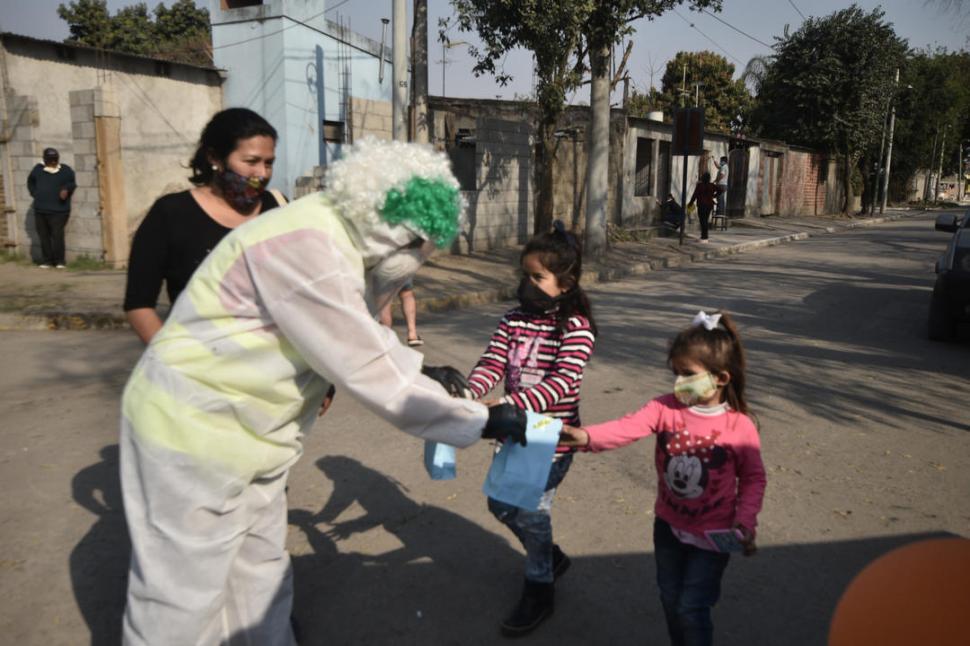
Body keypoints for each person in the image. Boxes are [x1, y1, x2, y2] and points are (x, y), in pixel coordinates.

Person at [118, 138, 529, 646]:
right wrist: (479, 420)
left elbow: (358, 329)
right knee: (182, 592)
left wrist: (427, 374)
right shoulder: (307, 247)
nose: (416, 263)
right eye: (419, 250)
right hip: (190, 432)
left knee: (259, 570)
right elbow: (364, 362)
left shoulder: (332, 232)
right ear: (397, 232)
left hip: (250, 434)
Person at [559, 310, 766, 646]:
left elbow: (754, 478)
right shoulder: (664, 408)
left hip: (714, 537)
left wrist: (745, 521)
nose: (678, 382)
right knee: (670, 600)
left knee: (691, 607)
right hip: (668, 526)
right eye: (675, 373)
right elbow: (625, 428)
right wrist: (583, 436)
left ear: (722, 379)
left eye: (688, 374)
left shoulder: (738, 426)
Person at [466, 220, 597, 637]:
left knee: (531, 511)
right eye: (525, 275)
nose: (529, 284)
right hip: (514, 432)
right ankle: (553, 558)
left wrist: (507, 404)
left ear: (566, 281)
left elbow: (561, 384)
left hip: (552, 438)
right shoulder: (513, 319)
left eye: (538, 277)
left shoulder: (576, 328)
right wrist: (468, 393)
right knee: (500, 506)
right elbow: (491, 363)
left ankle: (539, 586)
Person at [123, 108, 287, 344]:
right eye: (251, 161)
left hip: (275, 366)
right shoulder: (171, 214)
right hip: (200, 367)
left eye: (269, 163)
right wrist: (173, 362)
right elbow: (139, 305)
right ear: (215, 158)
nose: (261, 173)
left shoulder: (279, 209)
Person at [26, 147, 75, 269]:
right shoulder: (38, 170)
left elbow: (72, 183)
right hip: (40, 210)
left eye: (55, 159)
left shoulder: (65, 170)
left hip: (59, 211)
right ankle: (47, 261)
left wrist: (66, 189)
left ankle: (60, 261)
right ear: (44, 159)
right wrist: (35, 193)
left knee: (57, 235)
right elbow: (30, 182)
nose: (53, 162)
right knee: (43, 236)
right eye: (50, 160)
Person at [379, 279, 423, 346]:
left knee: (385, 299)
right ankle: (412, 334)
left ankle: (386, 336)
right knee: (406, 293)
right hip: (402, 270)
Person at [687, 172, 721, 244]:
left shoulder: (700, 185)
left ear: (703, 178)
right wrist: (714, 196)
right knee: (705, 220)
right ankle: (704, 236)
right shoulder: (712, 185)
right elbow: (721, 190)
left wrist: (690, 203)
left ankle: (704, 237)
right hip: (709, 205)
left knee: (703, 221)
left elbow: (695, 195)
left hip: (701, 205)